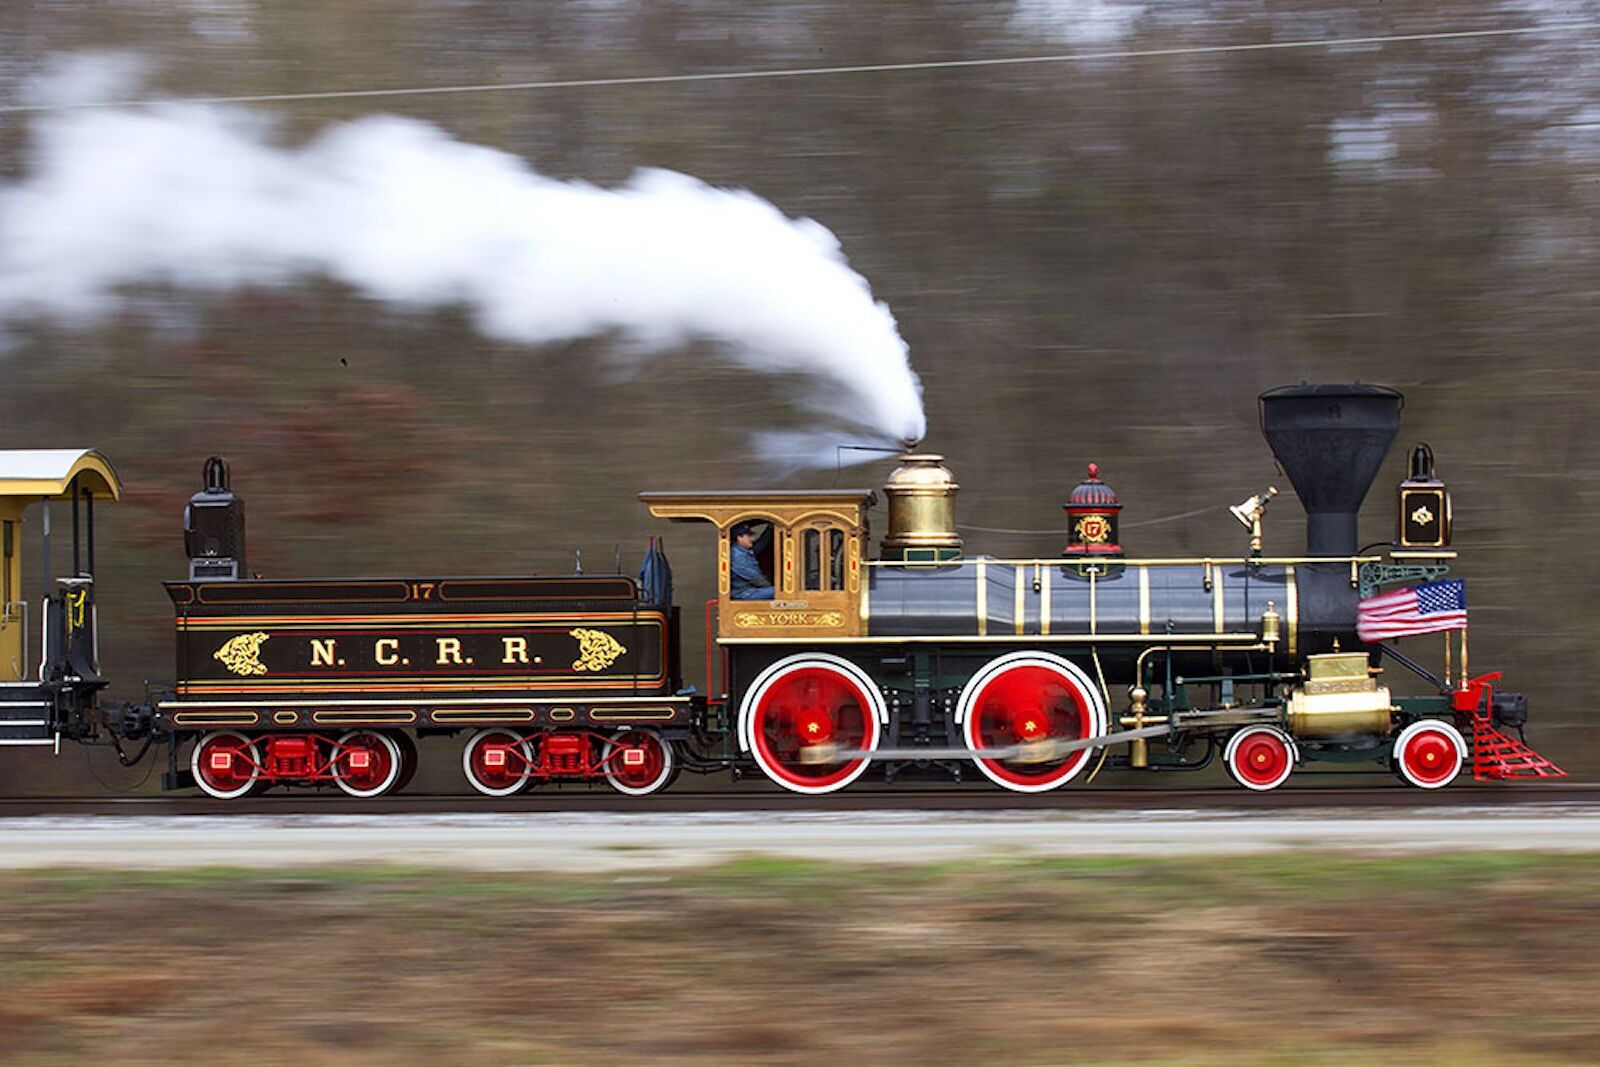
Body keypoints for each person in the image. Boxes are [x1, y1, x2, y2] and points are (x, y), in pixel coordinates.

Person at [729, 521, 775, 600]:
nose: (752, 539)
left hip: (749, 590)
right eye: (749, 536)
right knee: (781, 593)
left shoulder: (742, 550)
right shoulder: (738, 557)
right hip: (743, 593)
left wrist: (769, 529)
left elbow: (760, 544)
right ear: (739, 538)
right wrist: (771, 586)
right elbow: (757, 579)